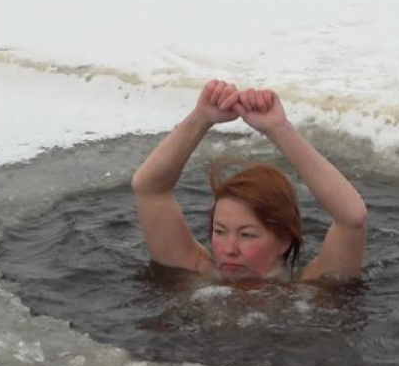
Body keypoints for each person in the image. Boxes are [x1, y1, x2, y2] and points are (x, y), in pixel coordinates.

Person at [131, 80, 367, 283]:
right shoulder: (194, 273)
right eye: (220, 231)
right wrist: (201, 117)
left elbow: (352, 218)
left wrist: (278, 129)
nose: (229, 249)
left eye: (247, 235)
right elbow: (149, 188)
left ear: (284, 240)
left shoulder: (310, 289)